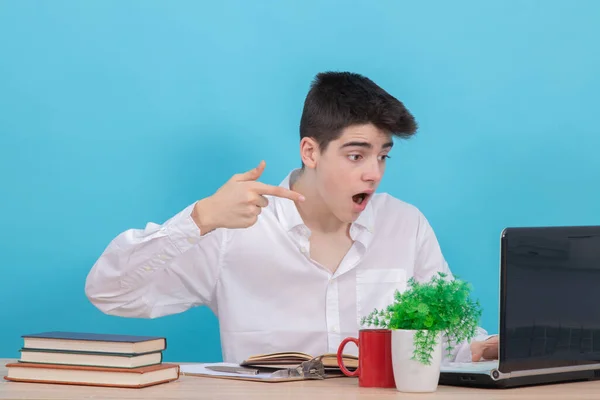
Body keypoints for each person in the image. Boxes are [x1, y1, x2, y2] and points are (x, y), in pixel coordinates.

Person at [85, 71, 498, 364]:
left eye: (383, 155)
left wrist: (483, 347)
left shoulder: (405, 225)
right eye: (356, 155)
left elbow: (447, 343)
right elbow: (109, 292)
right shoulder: (235, 229)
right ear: (311, 152)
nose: (374, 172)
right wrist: (202, 217)